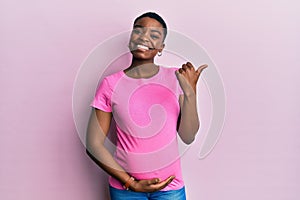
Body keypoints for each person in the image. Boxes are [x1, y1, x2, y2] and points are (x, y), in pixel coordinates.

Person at [86, 12, 208, 200]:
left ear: (161, 48)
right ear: (130, 39)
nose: (144, 37)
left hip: (170, 188)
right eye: (139, 31)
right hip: (125, 189)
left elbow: (188, 135)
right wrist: (131, 182)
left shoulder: (177, 78)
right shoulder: (110, 84)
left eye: (154, 35)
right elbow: (93, 144)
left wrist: (190, 93)